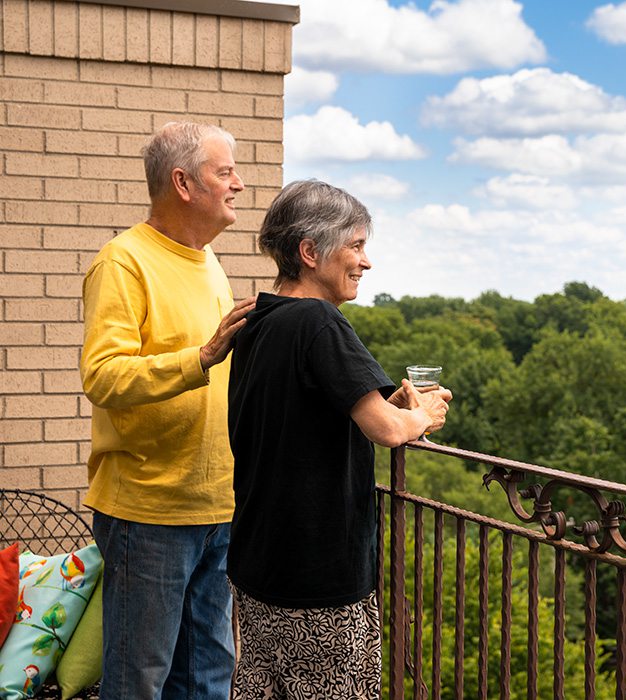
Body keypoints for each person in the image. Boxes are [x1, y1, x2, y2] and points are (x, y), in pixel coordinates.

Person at [226, 179, 450, 699]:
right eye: (356, 245)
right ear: (310, 252)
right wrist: (424, 413)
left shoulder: (261, 319)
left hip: (258, 564)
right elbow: (390, 432)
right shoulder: (319, 320)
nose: (366, 262)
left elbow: (297, 413)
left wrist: (378, 403)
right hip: (316, 577)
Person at [80, 121, 255, 699]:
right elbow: (103, 376)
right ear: (183, 183)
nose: (239, 184)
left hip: (217, 508)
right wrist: (200, 356)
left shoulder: (210, 264)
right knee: (139, 682)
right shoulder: (123, 262)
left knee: (207, 680)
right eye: (225, 171)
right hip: (148, 514)